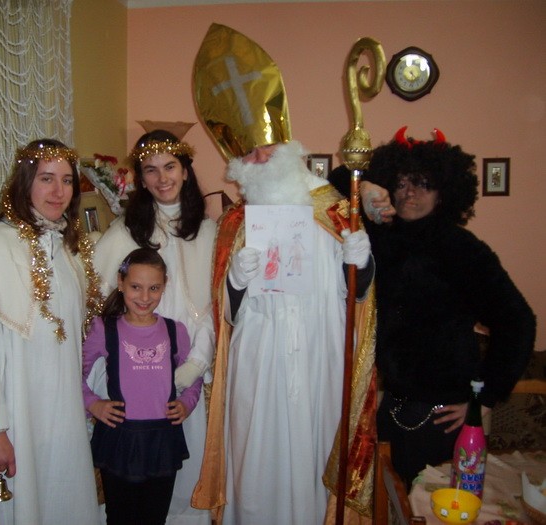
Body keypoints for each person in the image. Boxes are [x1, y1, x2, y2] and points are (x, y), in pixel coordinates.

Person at [191, 23, 378, 524]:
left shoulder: (334, 208)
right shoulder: (234, 224)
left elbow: (359, 301)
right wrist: (235, 281)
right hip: (259, 363)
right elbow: (225, 316)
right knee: (256, 468)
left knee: (316, 458)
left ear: (289, 145)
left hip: (320, 355)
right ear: (237, 165)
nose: (260, 158)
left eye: (267, 147)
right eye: (248, 153)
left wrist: (361, 263)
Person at [329, 127, 537, 488]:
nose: (411, 193)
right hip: (391, 408)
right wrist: (366, 186)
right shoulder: (381, 233)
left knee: (439, 507)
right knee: (388, 503)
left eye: (424, 184)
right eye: (402, 183)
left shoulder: (461, 248)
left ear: (443, 193)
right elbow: (335, 181)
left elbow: (518, 321)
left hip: (445, 418)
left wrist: (486, 398)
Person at [92, 129, 216, 524]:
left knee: (185, 463)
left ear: (185, 171)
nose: (162, 178)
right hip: (138, 375)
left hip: (191, 370)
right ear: (141, 179)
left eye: (170, 167)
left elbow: (217, 306)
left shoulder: (209, 232)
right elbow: (97, 302)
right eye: (151, 170)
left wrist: (196, 364)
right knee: (134, 484)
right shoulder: (125, 233)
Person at [0, 138, 103, 524]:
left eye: (67, 181)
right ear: (25, 182)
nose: (58, 191)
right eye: (46, 178)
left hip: (64, 415)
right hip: (19, 413)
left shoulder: (70, 249)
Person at [82, 248, 204, 525]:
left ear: (164, 286)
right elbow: (75, 374)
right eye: (136, 287)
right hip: (120, 439)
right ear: (121, 282)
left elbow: (193, 377)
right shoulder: (104, 328)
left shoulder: (175, 331)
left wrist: (186, 403)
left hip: (162, 440)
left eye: (154, 288)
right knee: (120, 517)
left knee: (154, 517)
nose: (145, 297)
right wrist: (93, 404)